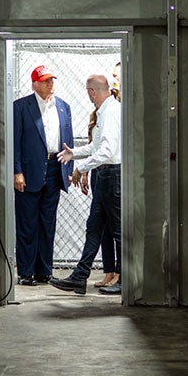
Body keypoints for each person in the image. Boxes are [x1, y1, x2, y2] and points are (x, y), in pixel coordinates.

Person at [50, 73, 122, 295]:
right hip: (105, 176)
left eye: (88, 92)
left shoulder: (110, 112)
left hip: (111, 176)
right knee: (94, 228)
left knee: (118, 230)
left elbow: (108, 152)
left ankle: (126, 279)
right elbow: (97, 147)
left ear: (92, 92)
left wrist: (82, 167)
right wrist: (75, 154)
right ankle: (80, 277)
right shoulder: (106, 111)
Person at [11, 65, 74, 286]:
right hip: (29, 171)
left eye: (51, 80)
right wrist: (16, 171)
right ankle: (26, 272)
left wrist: (68, 170)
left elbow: (69, 142)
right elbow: (15, 142)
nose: (50, 84)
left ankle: (44, 271)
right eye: (45, 80)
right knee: (28, 222)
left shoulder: (63, 107)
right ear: (34, 83)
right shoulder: (20, 107)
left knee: (48, 222)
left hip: (55, 167)